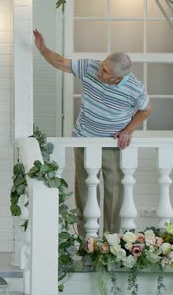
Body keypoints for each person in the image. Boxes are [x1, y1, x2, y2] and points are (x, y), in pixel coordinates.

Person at [33, 29, 152, 237]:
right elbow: (61, 62)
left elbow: (146, 109)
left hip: (112, 144)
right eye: (102, 66)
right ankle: (86, 240)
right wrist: (43, 49)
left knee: (114, 192)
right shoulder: (91, 67)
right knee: (85, 191)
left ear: (118, 79)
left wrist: (128, 131)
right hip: (84, 137)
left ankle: (111, 241)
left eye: (105, 72)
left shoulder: (134, 88)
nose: (99, 72)